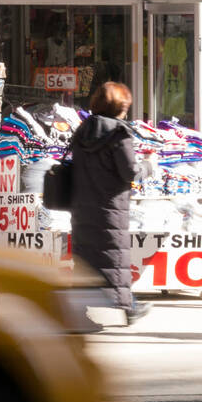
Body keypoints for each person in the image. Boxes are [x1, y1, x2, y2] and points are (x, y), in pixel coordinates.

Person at [68, 81, 151, 325]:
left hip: (82, 207)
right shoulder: (117, 133)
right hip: (110, 207)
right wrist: (149, 165)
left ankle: (83, 312)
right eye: (125, 106)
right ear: (118, 107)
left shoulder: (84, 130)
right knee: (113, 259)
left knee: (87, 258)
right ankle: (128, 307)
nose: (127, 111)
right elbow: (130, 172)